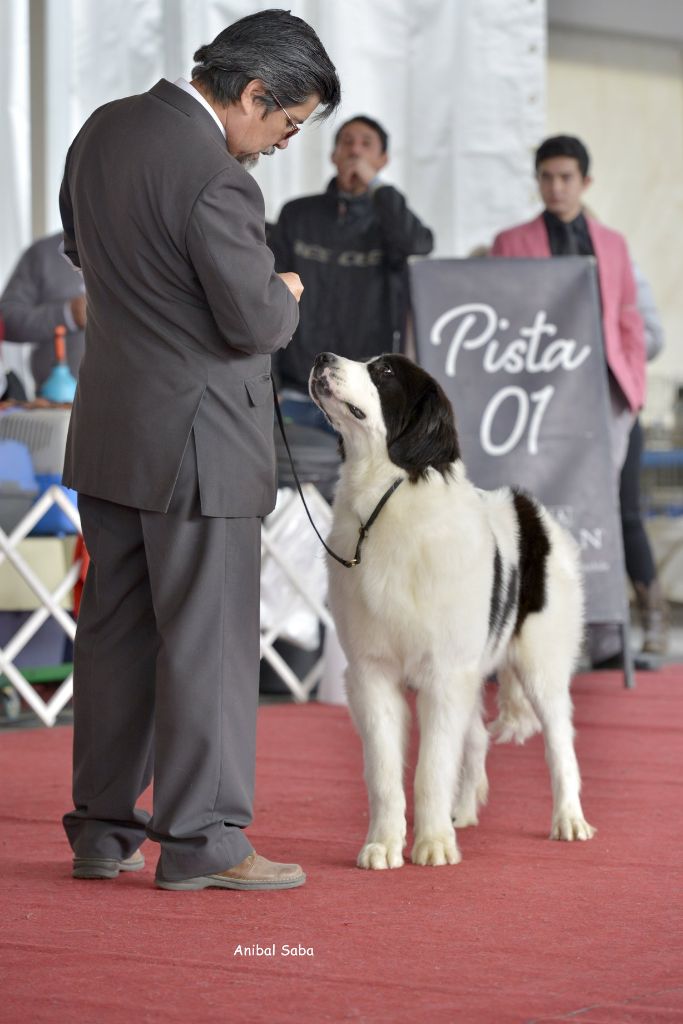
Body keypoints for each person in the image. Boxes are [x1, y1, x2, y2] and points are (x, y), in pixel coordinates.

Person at [59, 9, 340, 892]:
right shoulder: (218, 180)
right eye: (286, 126)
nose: (280, 146)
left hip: (110, 431)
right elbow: (251, 320)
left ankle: (103, 832)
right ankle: (205, 840)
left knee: (112, 637)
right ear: (253, 93)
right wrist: (283, 289)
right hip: (199, 441)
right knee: (208, 643)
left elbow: (86, 252)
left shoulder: (102, 129)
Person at [491, 135, 647, 668]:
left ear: (585, 182)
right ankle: (528, 627)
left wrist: (632, 383)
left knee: (602, 507)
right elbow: (500, 319)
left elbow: (628, 316)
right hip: (537, 395)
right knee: (536, 504)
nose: (555, 187)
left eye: (565, 177)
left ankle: (605, 631)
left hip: (605, 392)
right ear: (537, 181)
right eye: (547, 177)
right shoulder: (511, 241)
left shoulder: (613, 243)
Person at [269, 115, 434, 430]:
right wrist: (271, 379)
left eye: (366, 144)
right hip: (296, 388)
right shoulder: (297, 214)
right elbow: (270, 291)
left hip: (364, 392)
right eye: (347, 142)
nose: (355, 151)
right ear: (333, 156)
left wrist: (377, 187)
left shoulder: (390, 222)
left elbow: (419, 244)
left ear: (382, 160)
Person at [620, 264, 669, 658]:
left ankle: (653, 614)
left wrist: (615, 331)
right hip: (554, 412)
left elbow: (654, 339)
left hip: (617, 409)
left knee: (627, 514)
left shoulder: (626, 270)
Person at [0, 232, 86, 394]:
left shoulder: (136, 246)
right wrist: (67, 315)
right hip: (57, 404)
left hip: (133, 400)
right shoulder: (43, 254)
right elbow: (6, 319)